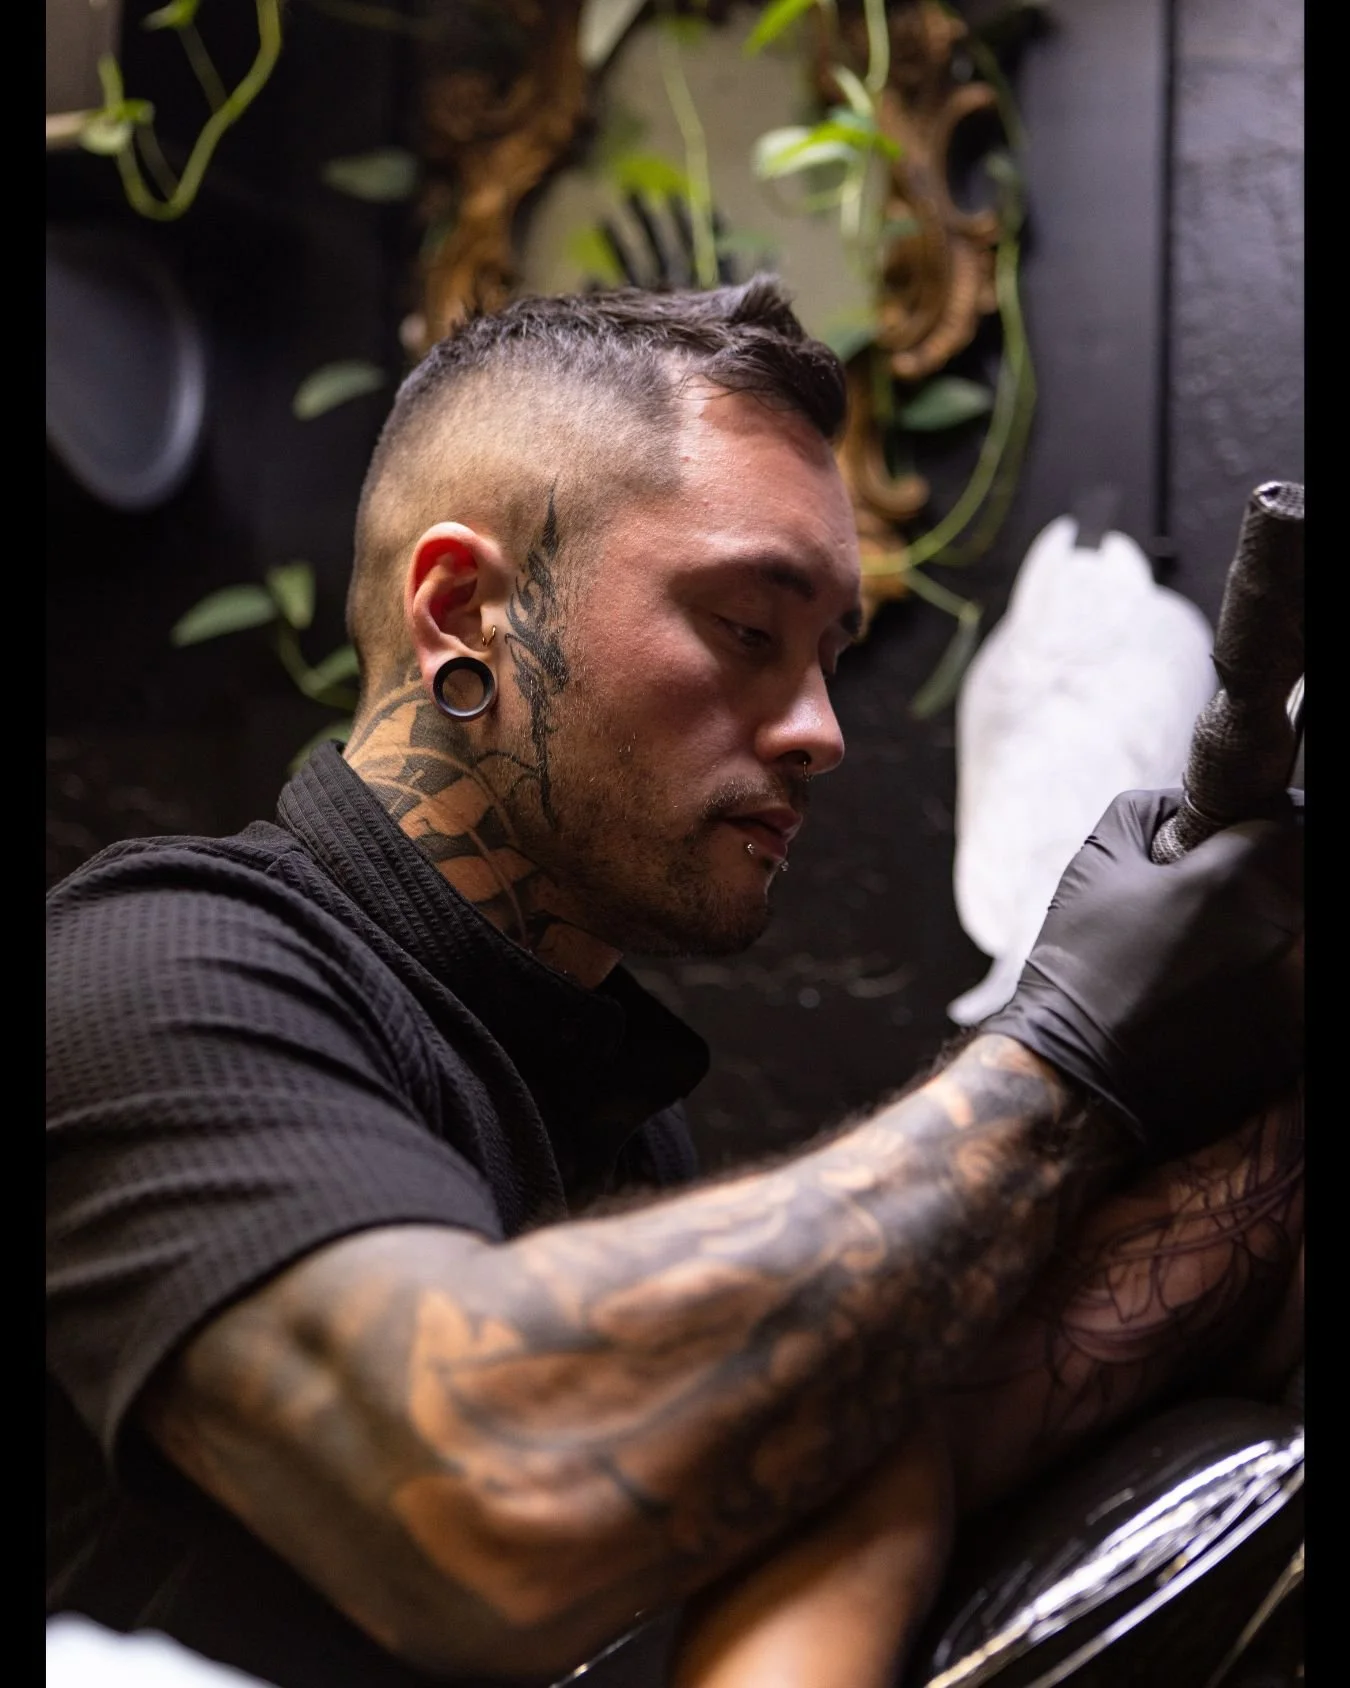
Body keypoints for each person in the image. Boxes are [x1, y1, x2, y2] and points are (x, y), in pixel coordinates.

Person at [46, 280, 1303, 1688]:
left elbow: (855, 1445)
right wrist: (1062, 1056)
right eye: (745, 630)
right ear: (463, 612)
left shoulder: (606, 1112)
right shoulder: (156, 966)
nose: (822, 732)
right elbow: (479, 1491)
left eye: (826, 657)